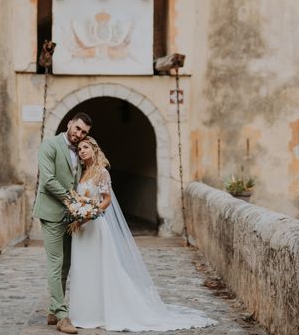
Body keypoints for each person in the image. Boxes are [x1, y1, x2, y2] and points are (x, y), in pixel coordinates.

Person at [69, 136, 216, 331]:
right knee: (84, 268)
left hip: (95, 226)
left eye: (85, 147)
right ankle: (85, 312)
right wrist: (77, 214)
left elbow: (106, 200)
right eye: (79, 149)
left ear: (94, 149)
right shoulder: (83, 173)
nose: (82, 151)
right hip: (81, 229)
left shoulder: (101, 173)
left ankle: (105, 311)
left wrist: (88, 215)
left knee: (100, 267)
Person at [33, 112, 92, 335]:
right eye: (77, 129)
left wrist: (82, 206)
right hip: (50, 212)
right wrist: (72, 200)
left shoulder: (80, 150)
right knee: (56, 261)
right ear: (69, 124)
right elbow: (48, 181)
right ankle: (61, 314)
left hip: (70, 215)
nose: (79, 134)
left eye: (84, 132)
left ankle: (52, 309)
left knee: (67, 262)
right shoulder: (49, 144)